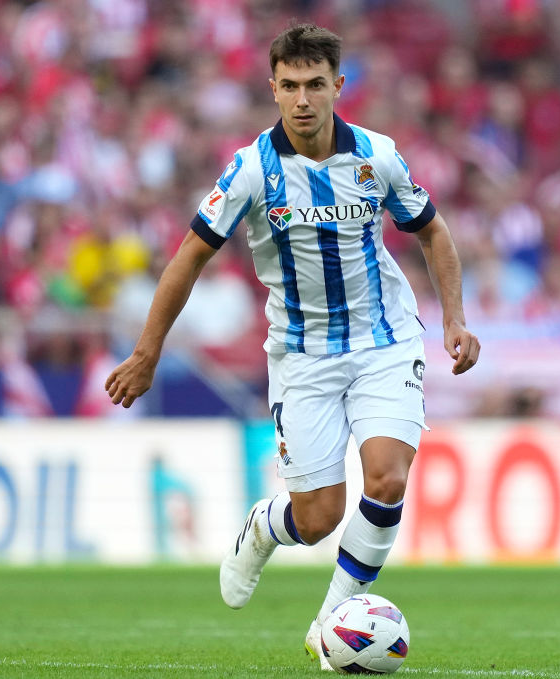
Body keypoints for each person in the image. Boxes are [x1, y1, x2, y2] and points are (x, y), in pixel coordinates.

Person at [104, 23, 480, 670]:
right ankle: (263, 527)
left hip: (384, 338)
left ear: (338, 86)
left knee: (388, 476)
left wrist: (454, 318)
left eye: (315, 85)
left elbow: (434, 232)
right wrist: (147, 351)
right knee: (318, 516)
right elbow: (188, 257)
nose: (302, 99)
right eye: (289, 86)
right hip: (301, 354)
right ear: (272, 89)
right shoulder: (252, 170)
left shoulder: (377, 157)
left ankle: (329, 623)